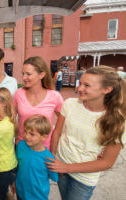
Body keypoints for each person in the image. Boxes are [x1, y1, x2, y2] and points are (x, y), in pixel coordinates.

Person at [47, 66, 126, 200]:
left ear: (107, 89)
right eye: (80, 83)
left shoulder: (117, 121)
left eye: (87, 85)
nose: (79, 88)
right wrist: (54, 156)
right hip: (61, 167)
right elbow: (57, 132)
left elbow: (107, 162)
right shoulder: (70, 104)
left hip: (84, 178)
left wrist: (66, 167)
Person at [13, 56, 63, 149]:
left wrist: (53, 150)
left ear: (42, 75)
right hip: (22, 146)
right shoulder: (19, 93)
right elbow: (10, 117)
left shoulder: (55, 96)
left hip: (44, 149)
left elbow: (62, 125)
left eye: (28, 74)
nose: (24, 77)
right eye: (23, 74)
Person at [15, 115, 58, 200]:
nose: (27, 136)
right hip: (20, 191)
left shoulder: (49, 158)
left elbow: (54, 177)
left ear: (44, 137)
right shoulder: (20, 146)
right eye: (26, 132)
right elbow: (18, 166)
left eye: (32, 134)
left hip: (38, 196)